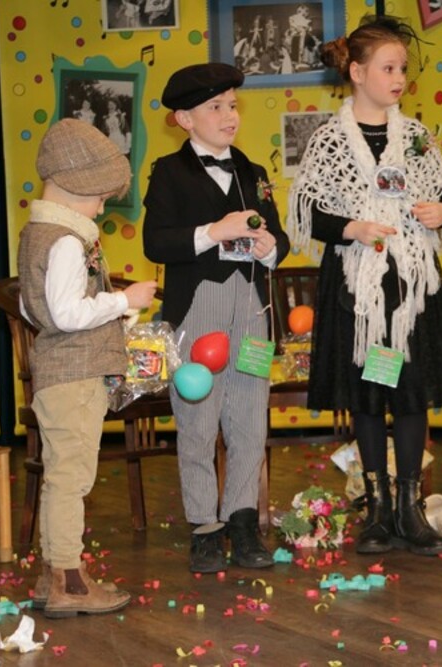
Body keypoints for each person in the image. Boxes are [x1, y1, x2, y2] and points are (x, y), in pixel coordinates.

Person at [287, 16, 442, 556]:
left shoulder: (415, 138)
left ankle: (411, 509)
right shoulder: (328, 141)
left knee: (410, 394)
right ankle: (378, 510)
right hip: (356, 289)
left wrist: (441, 212)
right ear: (357, 72)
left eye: (403, 69)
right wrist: (353, 228)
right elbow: (308, 214)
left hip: (410, 287)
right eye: (388, 68)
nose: (399, 79)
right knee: (367, 395)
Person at [143, 63, 290, 573]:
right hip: (198, 307)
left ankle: (243, 520)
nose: (229, 115)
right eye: (215, 107)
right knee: (198, 419)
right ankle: (205, 525)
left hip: (251, 308)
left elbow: (279, 237)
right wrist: (214, 231)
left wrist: (271, 247)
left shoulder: (254, 173)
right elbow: (156, 242)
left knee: (250, 416)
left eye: (232, 105)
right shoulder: (169, 172)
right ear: (185, 119)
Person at [18, 118, 157, 618]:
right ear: (76, 187)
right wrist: (123, 300)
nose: (101, 208)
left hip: (57, 375)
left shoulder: (37, 233)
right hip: (74, 379)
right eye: (99, 198)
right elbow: (66, 313)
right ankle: (70, 583)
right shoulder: (67, 241)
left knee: (60, 475)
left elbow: (33, 309)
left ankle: (51, 575)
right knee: (71, 479)